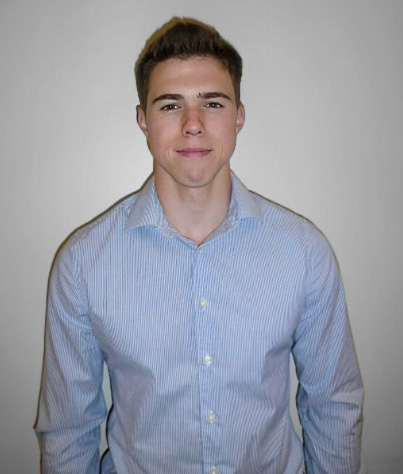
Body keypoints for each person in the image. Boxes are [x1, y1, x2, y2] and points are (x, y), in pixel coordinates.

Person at [35, 17, 365, 474]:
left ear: (238, 117)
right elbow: (68, 430)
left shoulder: (304, 252)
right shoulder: (83, 263)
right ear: (143, 121)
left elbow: (334, 407)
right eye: (170, 106)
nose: (193, 125)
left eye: (212, 103)